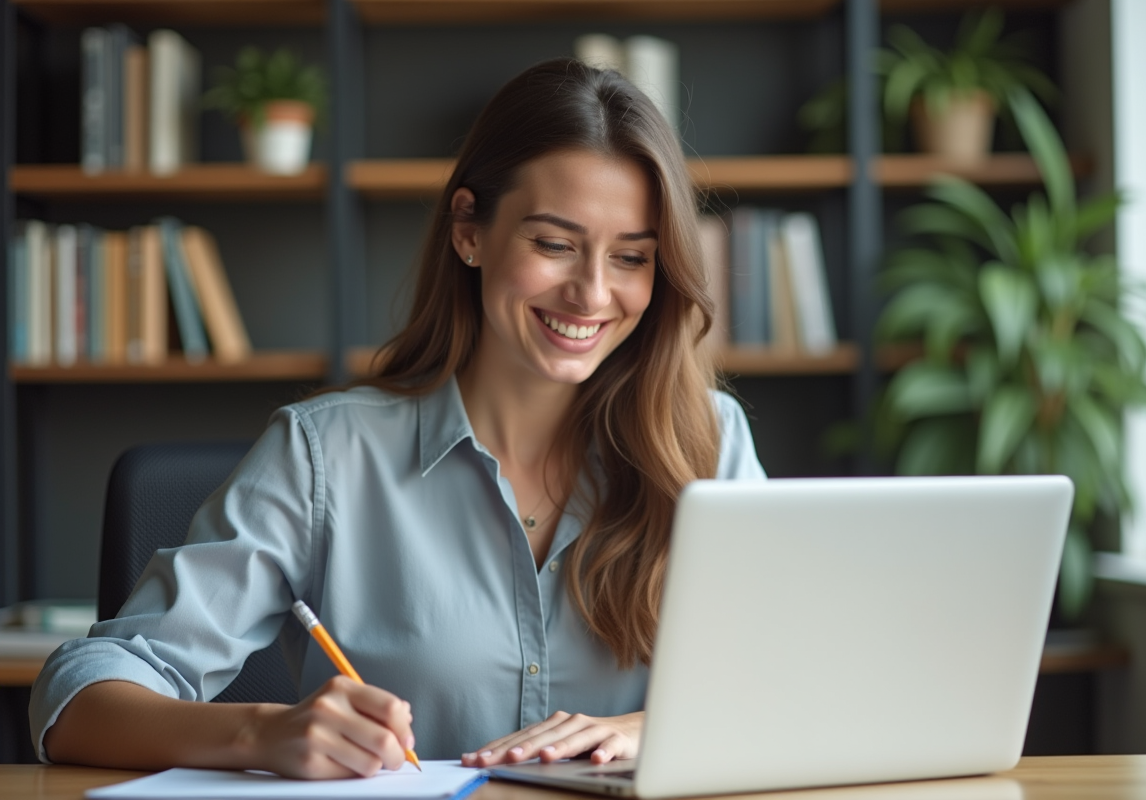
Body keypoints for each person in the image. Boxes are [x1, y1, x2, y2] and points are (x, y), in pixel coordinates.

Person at [31, 58, 766, 779]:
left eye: (632, 258)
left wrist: (655, 729)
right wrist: (261, 731)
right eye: (554, 245)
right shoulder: (325, 456)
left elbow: (794, 681)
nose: (592, 293)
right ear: (469, 230)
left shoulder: (711, 444)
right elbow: (80, 693)